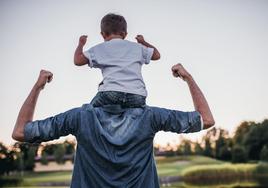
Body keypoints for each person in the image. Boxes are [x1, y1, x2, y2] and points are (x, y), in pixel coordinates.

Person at [12, 63, 215, 188]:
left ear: (101, 89)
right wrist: (188, 78)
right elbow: (206, 119)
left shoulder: (80, 117)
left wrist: (38, 87)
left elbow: (20, 131)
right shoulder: (150, 116)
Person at [74, 13, 161, 108]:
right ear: (125, 34)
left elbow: (77, 61)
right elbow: (157, 55)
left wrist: (81, 44)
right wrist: (143, 42)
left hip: (111, 94)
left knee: (89, 111)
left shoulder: (99, 48)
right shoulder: (137, 47)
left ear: (103, 34)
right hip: (137, 96)